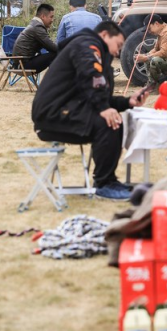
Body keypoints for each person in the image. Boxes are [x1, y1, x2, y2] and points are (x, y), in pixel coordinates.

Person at [32, 21, 148, 201]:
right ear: (104, 35)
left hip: (69, 109)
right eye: (117, 45)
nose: (118, 51)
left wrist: (128, 102)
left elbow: (98, 95)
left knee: (111, 119)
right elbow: (91, 78)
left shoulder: (98, 52)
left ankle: (109, 180)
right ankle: (104, 184)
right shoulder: (87, 45)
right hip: (52, 114)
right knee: (109, 122)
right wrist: (104, 108)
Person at [12, 4, 58, 74]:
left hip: (20, 63)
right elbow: (52, 47)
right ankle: (55, 82)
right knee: (55, 54)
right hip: (23, 65)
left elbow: (49, 45)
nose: (52, 20)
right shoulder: (37, 27)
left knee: (55, 54)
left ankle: (55, 81)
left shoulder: (34, 24)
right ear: (43, 16)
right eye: (51, 17)